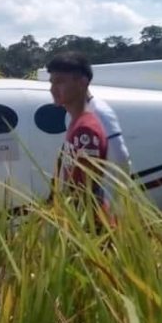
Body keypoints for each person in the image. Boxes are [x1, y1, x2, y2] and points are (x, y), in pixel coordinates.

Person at [46, 51, 111, 214]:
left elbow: (84, 188)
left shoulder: (85, 130)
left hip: (88, 222)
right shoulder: (76, 122)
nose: (53, 89)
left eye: (60, 82)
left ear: (82, 83)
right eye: (52, 83)